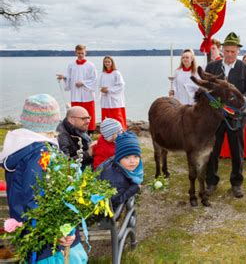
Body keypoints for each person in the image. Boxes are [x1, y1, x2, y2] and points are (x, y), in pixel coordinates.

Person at [0, 94, 87, 262]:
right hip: (49, 241)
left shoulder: (21, 147)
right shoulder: (41, 154)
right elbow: (36, 199)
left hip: (32, 234)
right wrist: (58, 231)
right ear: (52, 121)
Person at [204, 32, 246, 198]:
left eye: (233, 52)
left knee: (237, 151)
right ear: (222, 50)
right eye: (227, 51)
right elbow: (206, 90)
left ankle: (237, 183)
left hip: (237, 118)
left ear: (238, 51)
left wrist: (236, 106)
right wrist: (218, 106)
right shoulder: (212, 67)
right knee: (212, 150)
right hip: (215, 117)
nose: (230, 55)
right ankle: (211, 182)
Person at [56, 44, 98, 134]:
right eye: (78, 53)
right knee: (76, 112)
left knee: (88, 112)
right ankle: (76, 130)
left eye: (82, 53)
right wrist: (64, 77)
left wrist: (83, 83)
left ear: (85, 53)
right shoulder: (71, 65)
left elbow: (94, 79)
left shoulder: (90, 65)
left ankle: (90, 131)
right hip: (76, 94)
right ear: (75, 53)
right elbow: (69, 77)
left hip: (87, 94)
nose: (80, 55)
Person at [99, 132, 143, 210]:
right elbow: (114, 201)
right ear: (119, 158)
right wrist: (134, 188)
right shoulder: (117, 181)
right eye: (126, 157)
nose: (132, 161)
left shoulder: (120, 164)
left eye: (136, 156)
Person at [99, 56, 127, 129]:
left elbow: (121, 85)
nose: (107, 63)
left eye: (108, 62)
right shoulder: (103, 74)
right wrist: (102, 90)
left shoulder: (116, 73)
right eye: (105, 62)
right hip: (105, 99)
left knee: (117, 117)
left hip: (114, 100)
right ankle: (107, 133)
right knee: (106, 117)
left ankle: (121, 132)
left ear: (112, 63)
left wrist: (109, 89)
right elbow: (100, 85)